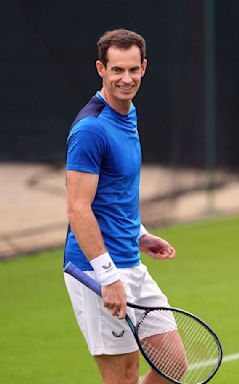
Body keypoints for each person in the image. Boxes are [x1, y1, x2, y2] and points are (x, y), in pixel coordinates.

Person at [64, 29, 178, 384]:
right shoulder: (90, 130)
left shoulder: (128, 112)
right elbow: (78, 208)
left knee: (173, 365)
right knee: (123, 378)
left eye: (133, 70)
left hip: (131, 260)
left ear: (144, 67)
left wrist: (140, 234)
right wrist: (108, 277)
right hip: (97, 271)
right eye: (117, 70)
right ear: (101, 68)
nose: (126, 79)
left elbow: (115, 192)